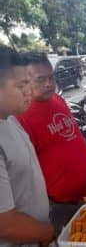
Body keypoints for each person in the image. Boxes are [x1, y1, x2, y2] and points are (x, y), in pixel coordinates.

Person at [16, 52, 86, 234]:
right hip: (58, 207)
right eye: (40, 79)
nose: (48, 84)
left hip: (84, 196)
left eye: (51, 77)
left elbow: (71, 134)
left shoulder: (58, 99)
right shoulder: (22, 117)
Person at [0, 47, 55, 246]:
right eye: (22, 85)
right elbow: (5, 223)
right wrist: (47, 233)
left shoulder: (11, 119)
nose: (29, 91)